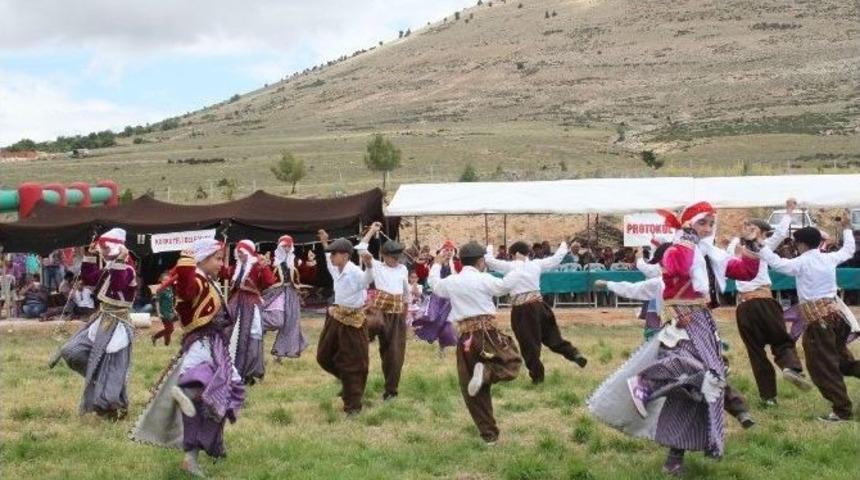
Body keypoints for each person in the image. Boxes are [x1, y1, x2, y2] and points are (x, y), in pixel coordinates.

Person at [589, 202, 728, 476]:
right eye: (702, 223)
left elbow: (741, 269)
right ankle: (645, 383)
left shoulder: (708, 254)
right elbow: (664, 272)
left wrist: (756, 247)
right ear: (688, 226)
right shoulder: (679, 254)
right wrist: (611, 284)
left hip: (703, 323)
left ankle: (675, 457)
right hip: (681, 328)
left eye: (711, 224)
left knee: (700, 392)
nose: (708, 228)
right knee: (697, 372)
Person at [598, 243, 756, 431]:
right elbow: (633, 289)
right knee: (692, 375)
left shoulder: (696, 283)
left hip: (697, 339)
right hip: (673, 339)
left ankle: (736, 410)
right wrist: (609, 284)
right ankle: (650, 392)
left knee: (707, 375)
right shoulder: (660, 283)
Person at [131, 238, 245, 478]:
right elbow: (186, 290)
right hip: (203, 346)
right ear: (202, 259)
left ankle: (211, 447)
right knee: (216, 394)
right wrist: (185, 264)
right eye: (217, 258)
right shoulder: (196, 281)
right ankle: (193, 449)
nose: (221, 264)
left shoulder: (208, 280)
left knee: (220, 396)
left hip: (214, 346)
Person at [701, 198, 812, 406]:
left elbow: (717, 256)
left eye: (752, 228)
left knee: (755, 352)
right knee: (780, 340)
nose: (749, 230)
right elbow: (780, 233)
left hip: (744, 306)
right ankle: (791, 368)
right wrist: (789, 211)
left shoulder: (739, 248)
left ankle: (768, 397)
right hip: (763, 301)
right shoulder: (759, 246)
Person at [757, 212, 858, 421]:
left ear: (801, 244)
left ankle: (842, 411)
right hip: (838, 318)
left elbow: (776, 263)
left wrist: (760, 245)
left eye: (797, 243)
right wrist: (847, 228)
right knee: (841, 362)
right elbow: (849, 250)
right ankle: (842, 407)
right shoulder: (829, 258)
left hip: (819, 323)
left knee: (821, 368)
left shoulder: (802, 263)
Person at [429, 241, 521, 444]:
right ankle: (487, 372)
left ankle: (489, 436)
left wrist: (436, 264)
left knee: (471, 388)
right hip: (488, 334)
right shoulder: (484, 278)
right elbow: (505, 286)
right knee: (512, 362)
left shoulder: (452, 281)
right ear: (480, 262)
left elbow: (434, 285)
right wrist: (520, 266)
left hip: (465, 339)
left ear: (462, 261)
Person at [50, 228, 136, 419]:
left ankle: (113, 407)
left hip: (118, 324)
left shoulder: (127, 268)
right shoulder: (110, 267)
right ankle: (103, 381)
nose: (102, 252)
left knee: (113, 367)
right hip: (101, 318)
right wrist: (89, 255)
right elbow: (89, 278)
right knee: (71, 351)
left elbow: (117, 284)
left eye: (105, 248)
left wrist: (121, 259)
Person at [484, 240, 587, 384]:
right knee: (553, 337)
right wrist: (564, 245)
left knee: (529, 345)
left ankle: (538, 377)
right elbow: (556, 259)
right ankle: (573, 353)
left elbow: (489, 261)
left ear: (515, 254)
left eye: (511, 254)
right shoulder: (536, 264)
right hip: (540, 306)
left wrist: (489, 247)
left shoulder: (511, 266)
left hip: (523, 309)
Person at [316, 230, 373, 415]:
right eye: (331, 254)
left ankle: (353, 406)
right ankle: (348, 383)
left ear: (345, 256)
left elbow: (366, 281)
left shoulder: (354, 271)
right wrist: (325, 243)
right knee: (323, 356)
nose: (331, 257)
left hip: (353, 323)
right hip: (337, 317)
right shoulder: (336, 268)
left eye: (335, 254)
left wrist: (369, 266)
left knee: (354, 364)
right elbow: (328, 260)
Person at [360, 222, 411, 401]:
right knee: (358, 343)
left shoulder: (403, 269)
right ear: (384, 256)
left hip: (396, 315)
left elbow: (406, 293)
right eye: (392, 256)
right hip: (378, 313)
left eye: (398, 256)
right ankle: (352, 384)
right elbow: (361, 248)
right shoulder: (376, 266)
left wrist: (406, 313)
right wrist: (372, 230)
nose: (396, 259)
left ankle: (391, 391)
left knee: (394, 354)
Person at [225, 239, 276, 384]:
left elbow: (269, 282)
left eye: (242, 252)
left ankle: (249, 371)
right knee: (231, 333)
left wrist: (264, 266)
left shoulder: (257, 266)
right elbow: (224, 273)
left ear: (248, 252)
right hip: (236, 304)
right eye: (238, 252)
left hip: (251, 305)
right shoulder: (237, 267)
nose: (239, 255)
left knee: (251, 335)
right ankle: (231, 369)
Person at [262, 235, 308, 363]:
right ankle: (258, 324)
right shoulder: (272, 260)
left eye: (289, 246)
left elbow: (307, 275)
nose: (287, 248)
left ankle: (280, 354)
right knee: (277, 320)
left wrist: (311, 267)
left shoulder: (296, 260)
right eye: (284, 246)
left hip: (291, 293)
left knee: (290, 323)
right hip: (276, 292)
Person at [411, 241, 460, 354]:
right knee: (434, 320)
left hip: (450, 299)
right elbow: (422, 274)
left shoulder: (457, 265)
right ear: (442, 251)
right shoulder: (434, 264)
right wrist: (419, 264)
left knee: (447, 323)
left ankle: (444, 347)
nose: (449, 252)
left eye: (451, 250)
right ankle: (425, 334)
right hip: (437, 299)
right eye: (446, 250)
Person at [151, 271, 179, 346]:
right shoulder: (160, 290)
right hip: (164, 312)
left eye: (168, 280)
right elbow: (157, 302)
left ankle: (167, 343)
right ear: (161, 281)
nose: (167, 281)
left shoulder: (170, 289)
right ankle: (155, 337)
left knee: (168, 328)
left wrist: (174, 309)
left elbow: (171, 301)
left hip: (170, 311)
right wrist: (158, 313)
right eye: (165, 280)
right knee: (170, 329)